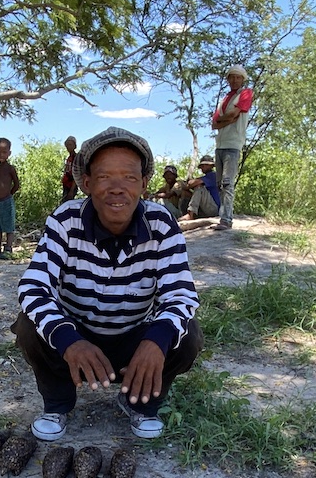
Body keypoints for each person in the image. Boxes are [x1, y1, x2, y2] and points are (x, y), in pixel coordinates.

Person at [15, 126, 202, 441]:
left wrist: (156, 340)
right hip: (78, 335)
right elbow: (33, 287)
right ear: (86, 183)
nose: (117, 188)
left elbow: (181, 295)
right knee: (28, 326)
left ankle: (140, 402)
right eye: (104, 177)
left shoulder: (161, 224)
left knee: (186, 335)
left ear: (144, 185)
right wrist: (68, 339)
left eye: (130, 178)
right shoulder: (65, 220)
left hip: (134, 337)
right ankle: (58, 403)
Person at [208, 63, 254, 231]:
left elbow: (235, 114)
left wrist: (224, 120)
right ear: (228, 79)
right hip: (220, 144)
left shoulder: (246, 93)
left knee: (227, 183)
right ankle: (223, 216)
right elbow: (214, 124)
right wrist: (226, 120)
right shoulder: (224, 99)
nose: (234, 80)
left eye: (238, 77)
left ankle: (227, 219)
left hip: (233, 143)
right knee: (220, 183)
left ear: (243, 79)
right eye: (232, 77)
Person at [0, 137, 21, 259]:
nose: (1, 154)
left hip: (6, 201)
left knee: (8, 226)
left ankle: (8, 249)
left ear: (9, 153)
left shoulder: (10, 169)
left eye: (4, 152)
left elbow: (16, 184)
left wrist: (8, 194)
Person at [181, 154, 221, 223]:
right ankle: (185, 214)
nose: (202, 167)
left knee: (199, 188)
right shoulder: (207, 177)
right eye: (201, 166)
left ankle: (190, 214)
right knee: (186, 193)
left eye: (204, 165)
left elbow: (191, 184)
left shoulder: (213, 175)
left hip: (214, 208)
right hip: (208, 208)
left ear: (211, 166)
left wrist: (188, 183)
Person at [60, 135, 78, 203]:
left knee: (67, 204)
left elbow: (76, 174)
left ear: (74, 146)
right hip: (66, 184)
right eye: (67, 145)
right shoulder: (69, 158)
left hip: (71, 186)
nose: (68, 147)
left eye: (70, 144)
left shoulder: (76, 158)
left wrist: (71, 190)